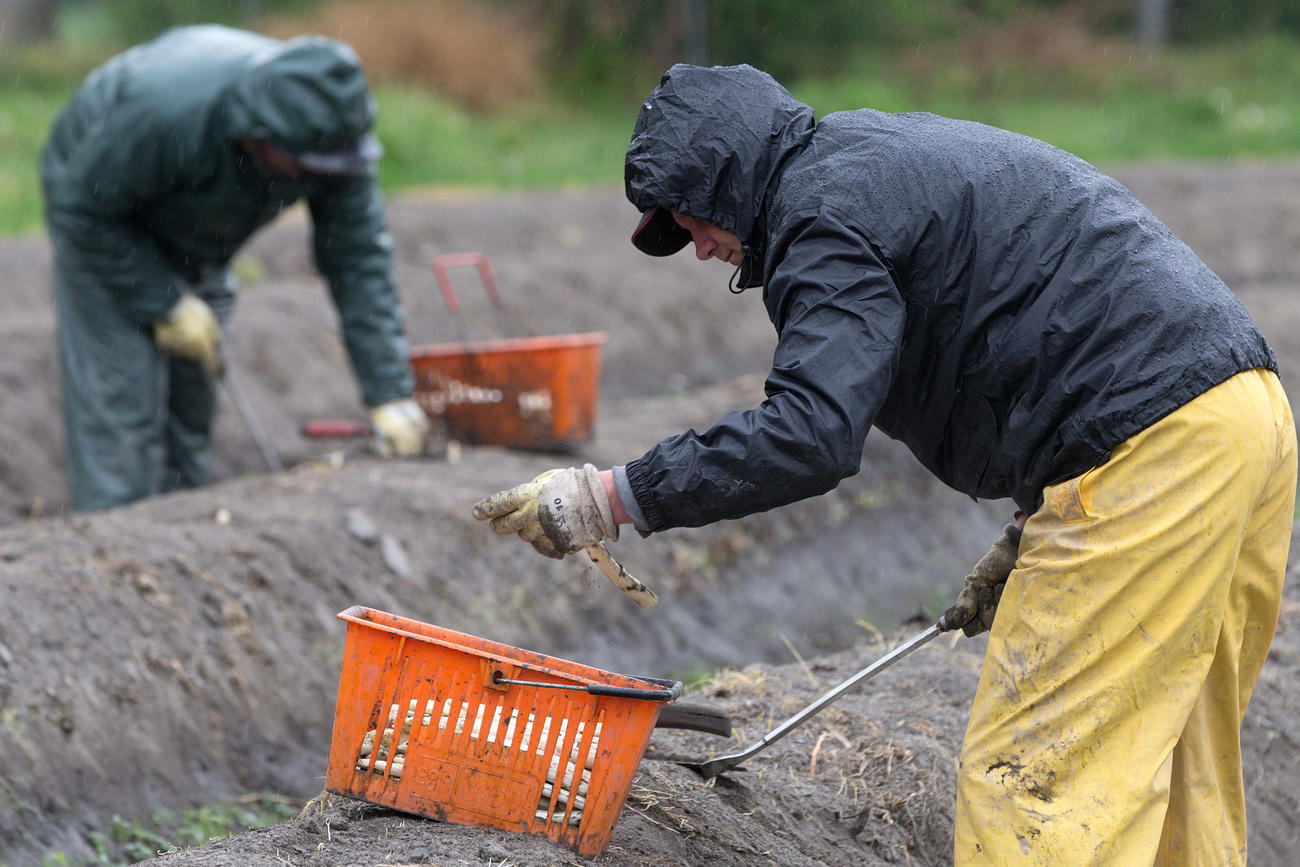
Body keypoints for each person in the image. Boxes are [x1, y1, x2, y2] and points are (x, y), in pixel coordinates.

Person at [473, 64, 1296, 863]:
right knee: (1182, 750)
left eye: (689, 221)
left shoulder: (822, 215)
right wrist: (1032, 521)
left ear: (724, 176)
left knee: (1031, 784)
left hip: (1151, 449)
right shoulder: (871, 160)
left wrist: (608, 496)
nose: (697, 249)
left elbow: (810, 432)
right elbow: (1043, 317)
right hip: (1241, 414)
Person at [41, 24, 432, 513]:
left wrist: (389, 393)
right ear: (259, 136)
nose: (318, 179)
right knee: (123, 405)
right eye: (304, 165)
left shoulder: (334, 144)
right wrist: (163, 300)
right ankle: (111, 541)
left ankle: (175, 538)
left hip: (197, 227)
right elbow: (81, 210)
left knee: (192, 400)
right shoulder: (169, 114)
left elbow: (359, 260)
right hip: (101, 205)